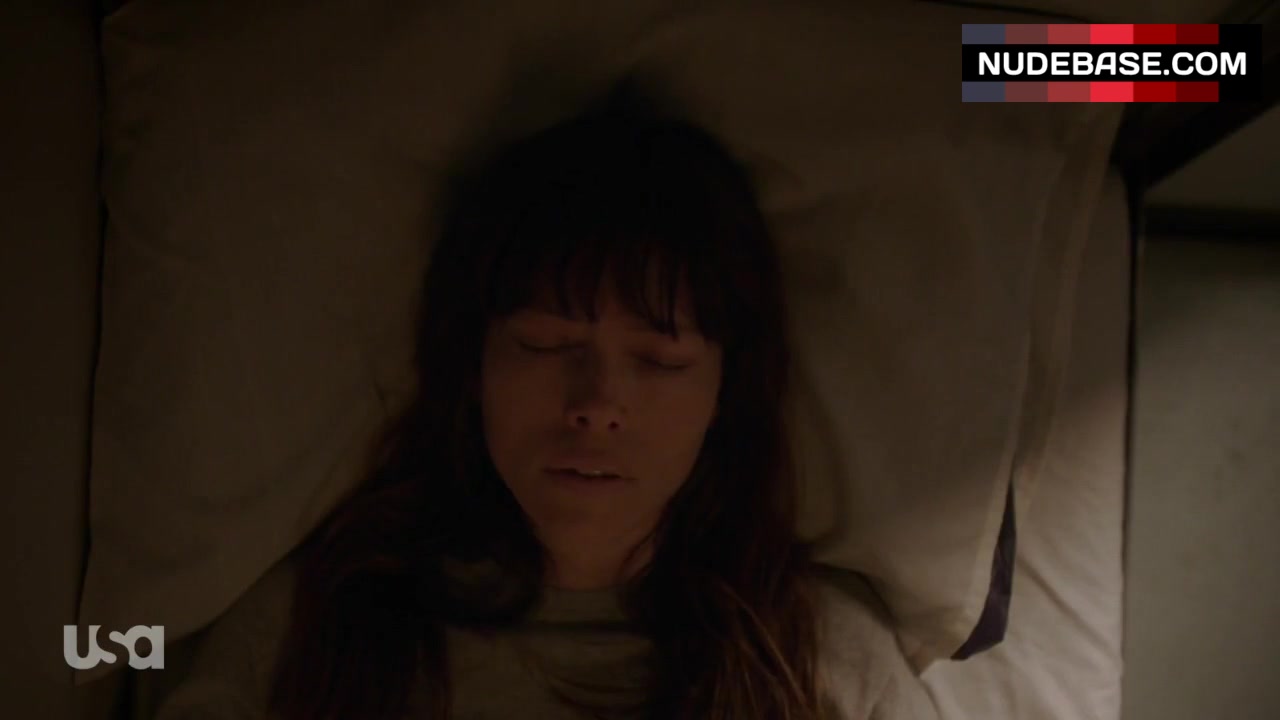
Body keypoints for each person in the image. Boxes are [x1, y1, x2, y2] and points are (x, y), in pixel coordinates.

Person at [155, 80, 939, 720]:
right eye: (546, 344)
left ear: (726, 393)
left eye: (659, 360)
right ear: (473, 363)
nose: (597, 405)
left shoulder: (819, 660)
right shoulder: (312, 627)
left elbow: (1017, 70)